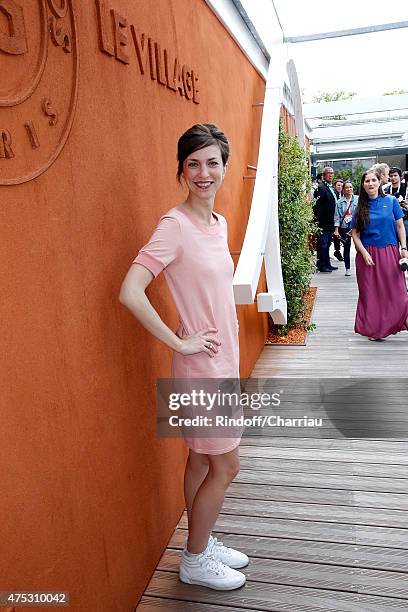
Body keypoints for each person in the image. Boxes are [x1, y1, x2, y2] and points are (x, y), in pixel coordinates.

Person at [119, 124, 248, 590]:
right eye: (193, 163)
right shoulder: (174, 226)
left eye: (212, 162)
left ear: (225, 168)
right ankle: (194, 559)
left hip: (223, 363)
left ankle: (201, 538)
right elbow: (130, 291)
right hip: (202, 369)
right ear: (181, 170)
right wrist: (179, 342)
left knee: (199, 459)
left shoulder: (219, 223)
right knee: (227, 464)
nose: (203, 172)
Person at [350, 169, 408, 340]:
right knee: (371, 294)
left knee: (397, 291)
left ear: (379, 182)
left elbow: (400, 226)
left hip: (389, 253)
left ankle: (402, 319)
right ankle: (375, 330)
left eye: (373, 180)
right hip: (367, 256)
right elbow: (355, 234)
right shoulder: (360, 207)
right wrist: (364, 252)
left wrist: (403, 248)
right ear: (363, 185)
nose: (371, 184)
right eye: (367, 181)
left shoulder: (391, 201)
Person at [313, 166, 338, 272]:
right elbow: (317, 206)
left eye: (332, 173)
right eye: (329, 173)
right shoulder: (321, 187)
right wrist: (319, 221)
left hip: (329, 222)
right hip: (323, 222)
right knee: (322, 244)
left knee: (327, 244)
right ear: (323, 175)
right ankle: (321, 265)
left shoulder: (329, 187)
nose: (331, 175)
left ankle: (327, 263)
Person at [334, 180, 358, 276]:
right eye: (347, 187)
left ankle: (362, 267)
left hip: (356, 227)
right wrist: (336, 229)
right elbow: (337, 216)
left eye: (350, 187)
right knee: (346, 247)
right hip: (344, 227)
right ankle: (347, 268)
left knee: (360, 247)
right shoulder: (339, 202)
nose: (349, 189)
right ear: (343, 190)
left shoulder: (357, 199)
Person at [384, 167, 408, 236]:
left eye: (395, 175)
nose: (393, 178)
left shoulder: (406, 188)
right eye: (391, 176)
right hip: (391, 219)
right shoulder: (385, 189)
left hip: (405, 218)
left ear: (400, 177)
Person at [332, 178, 345, 261]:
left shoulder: (343, 195)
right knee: (335, 236)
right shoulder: (333, 194)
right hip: (333, 219)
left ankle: (337, 251)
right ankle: (337, 251)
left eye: (341, 186)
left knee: (339, 236)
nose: (340, 187)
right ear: (335, 186)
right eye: (338, 185)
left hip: (341, 220)